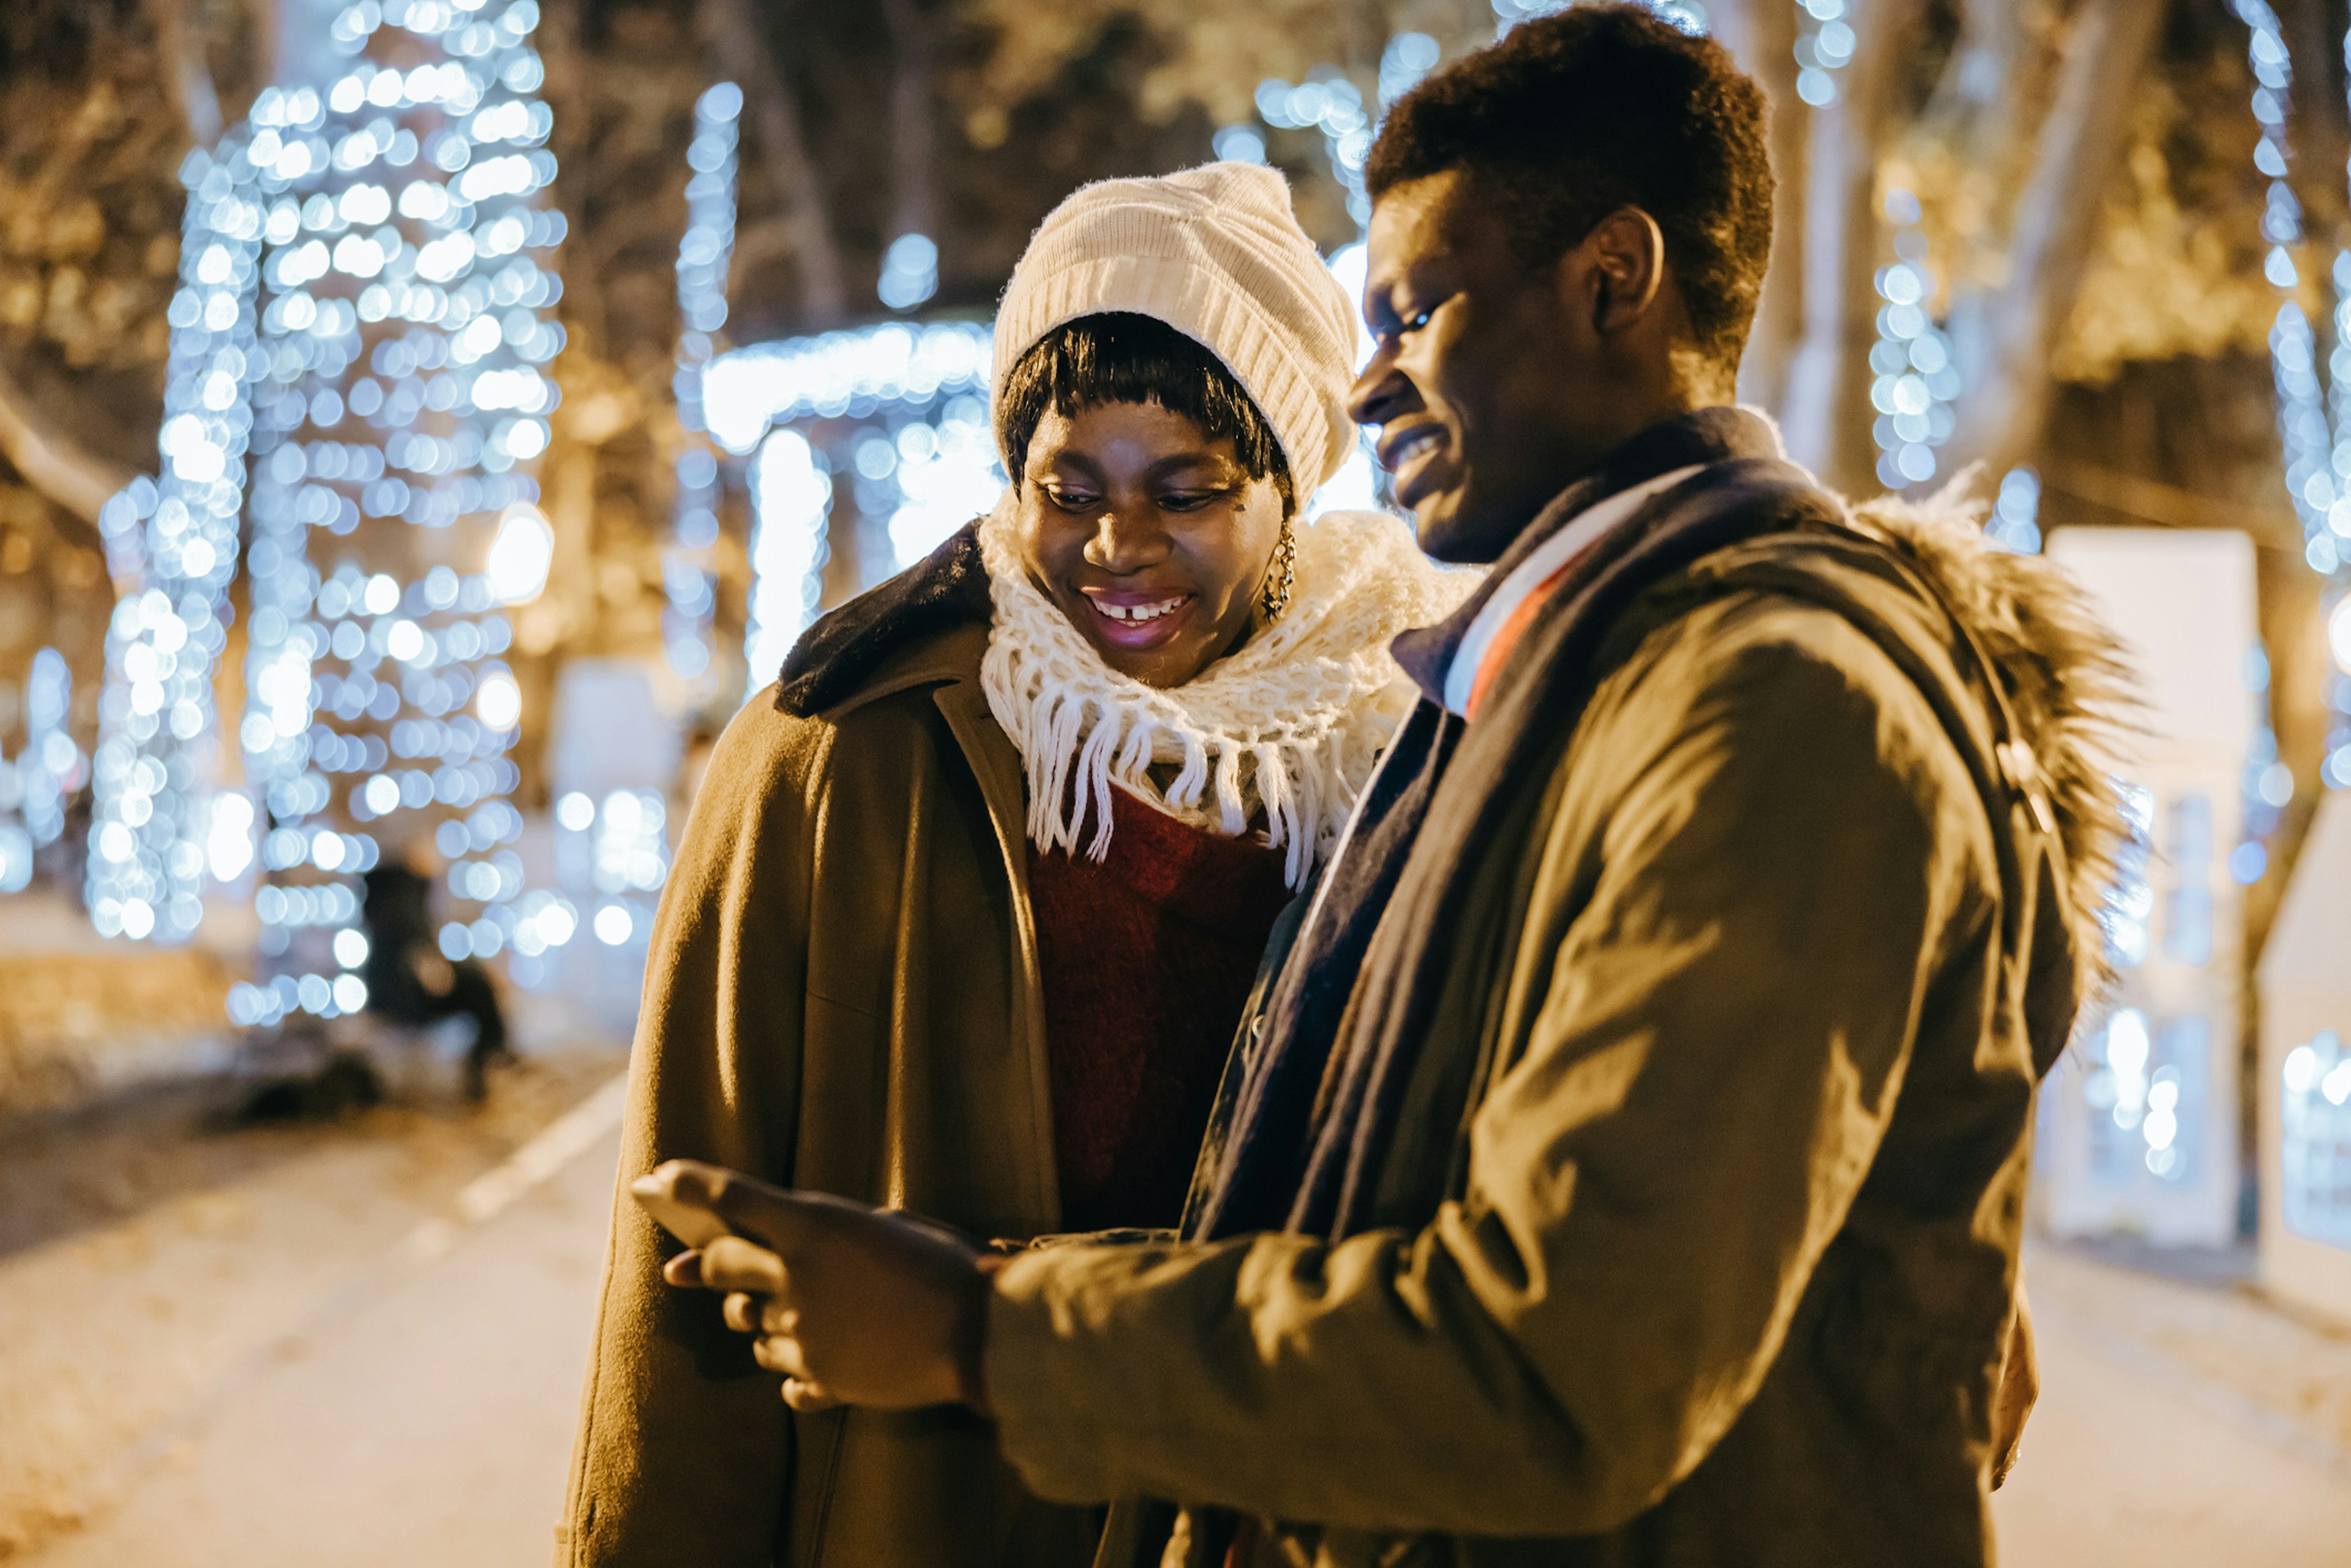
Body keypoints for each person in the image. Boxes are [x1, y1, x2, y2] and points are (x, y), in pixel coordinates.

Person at [655, 9, 2132, 1567]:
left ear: (1611, 282)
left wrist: (982, 1330)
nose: (1369, 389)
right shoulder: (1557, 675)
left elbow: (1559, 1359)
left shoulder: (1762, 700)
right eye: (1068, 488)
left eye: (1416, 314)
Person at [559, 162, 1470, 1568]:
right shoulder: (834, 755)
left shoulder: (1399, 751)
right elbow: (679, 1285)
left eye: (1189, 490)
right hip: (914, 1520)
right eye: (1068, 488)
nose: (1118, 548)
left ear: (1286, 489)